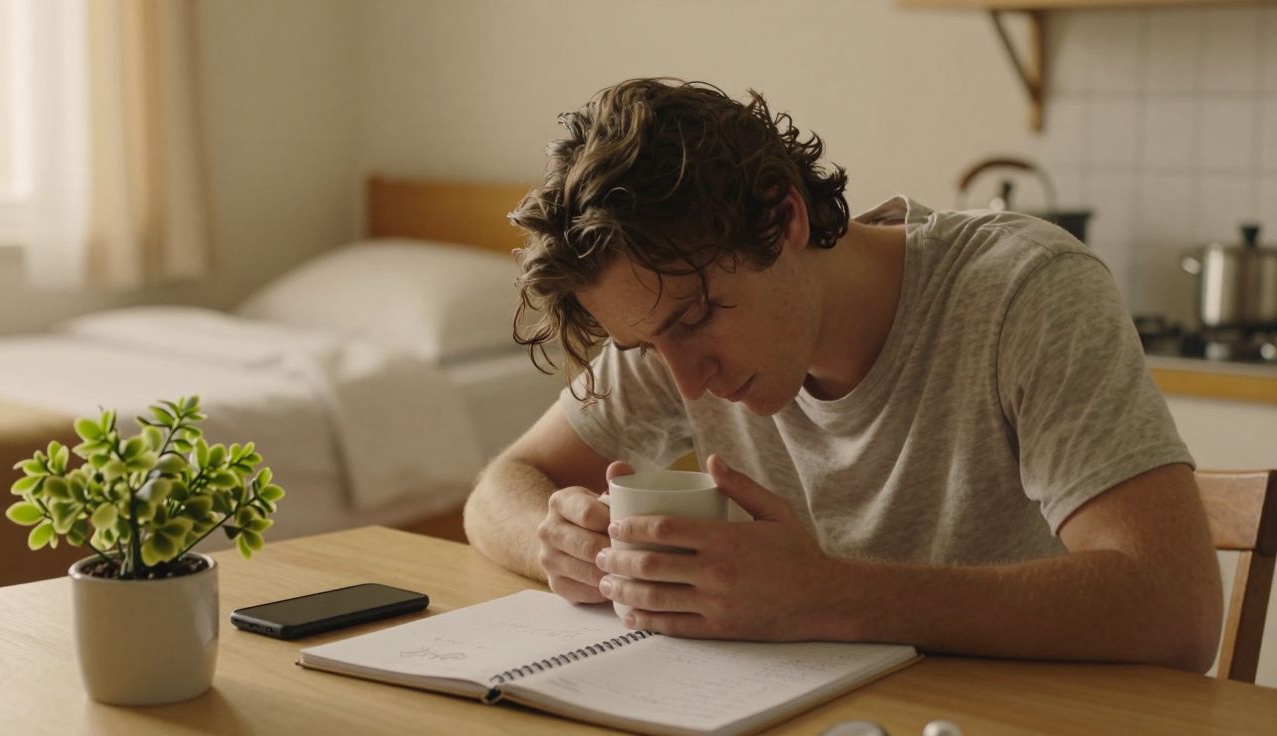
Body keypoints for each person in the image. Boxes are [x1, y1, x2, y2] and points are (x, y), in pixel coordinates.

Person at [463, 78, 1223, 672]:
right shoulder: (671, 318)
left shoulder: (1025, 291)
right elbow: (503, 484)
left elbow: (1175, 612)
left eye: (696, 322)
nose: (685, 382)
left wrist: (825, 595)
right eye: (646, 346)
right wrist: (558, 544)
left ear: (783, 219)